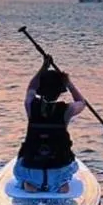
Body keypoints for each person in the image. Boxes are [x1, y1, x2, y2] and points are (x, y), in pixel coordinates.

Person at [15, 60, 86, 193]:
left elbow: (31, 88)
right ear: (60, 92)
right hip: (58, 169)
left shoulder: (31, 106)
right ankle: (60, 185)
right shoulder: (67, 110)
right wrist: (69, 83)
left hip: (32, 170)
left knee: (22, 168)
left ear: (40, 91)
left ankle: (30, 185)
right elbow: (82, 102)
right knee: (64, 170)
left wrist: (43, 67)